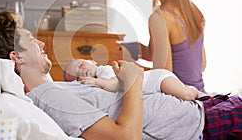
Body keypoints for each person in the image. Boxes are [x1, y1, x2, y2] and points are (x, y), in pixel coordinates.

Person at [0, 10, 242, 139]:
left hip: (198, 109)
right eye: (33, 40)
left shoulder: (53, 90)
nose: (42, 44)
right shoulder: (49, 98)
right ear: (16, 57)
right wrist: (134, 80)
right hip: (201, 125)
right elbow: (125, 138)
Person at [121, 0, 207, 93]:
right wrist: (138, 49)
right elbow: (200, 64)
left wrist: (129, 71)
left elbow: (162, 76)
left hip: (178, 99)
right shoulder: (194, 12)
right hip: (200, 95)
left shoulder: (160, 18)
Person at [64, 58, 205, 100]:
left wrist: (95, 81)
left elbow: (116, 84)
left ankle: (193, 89)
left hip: (158, 79)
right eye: (77, 76)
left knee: (187, 95)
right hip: (155, 86)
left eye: (80, 65)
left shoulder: (103, 71)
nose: (81, 71)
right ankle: (204, 96)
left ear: (92, 61)